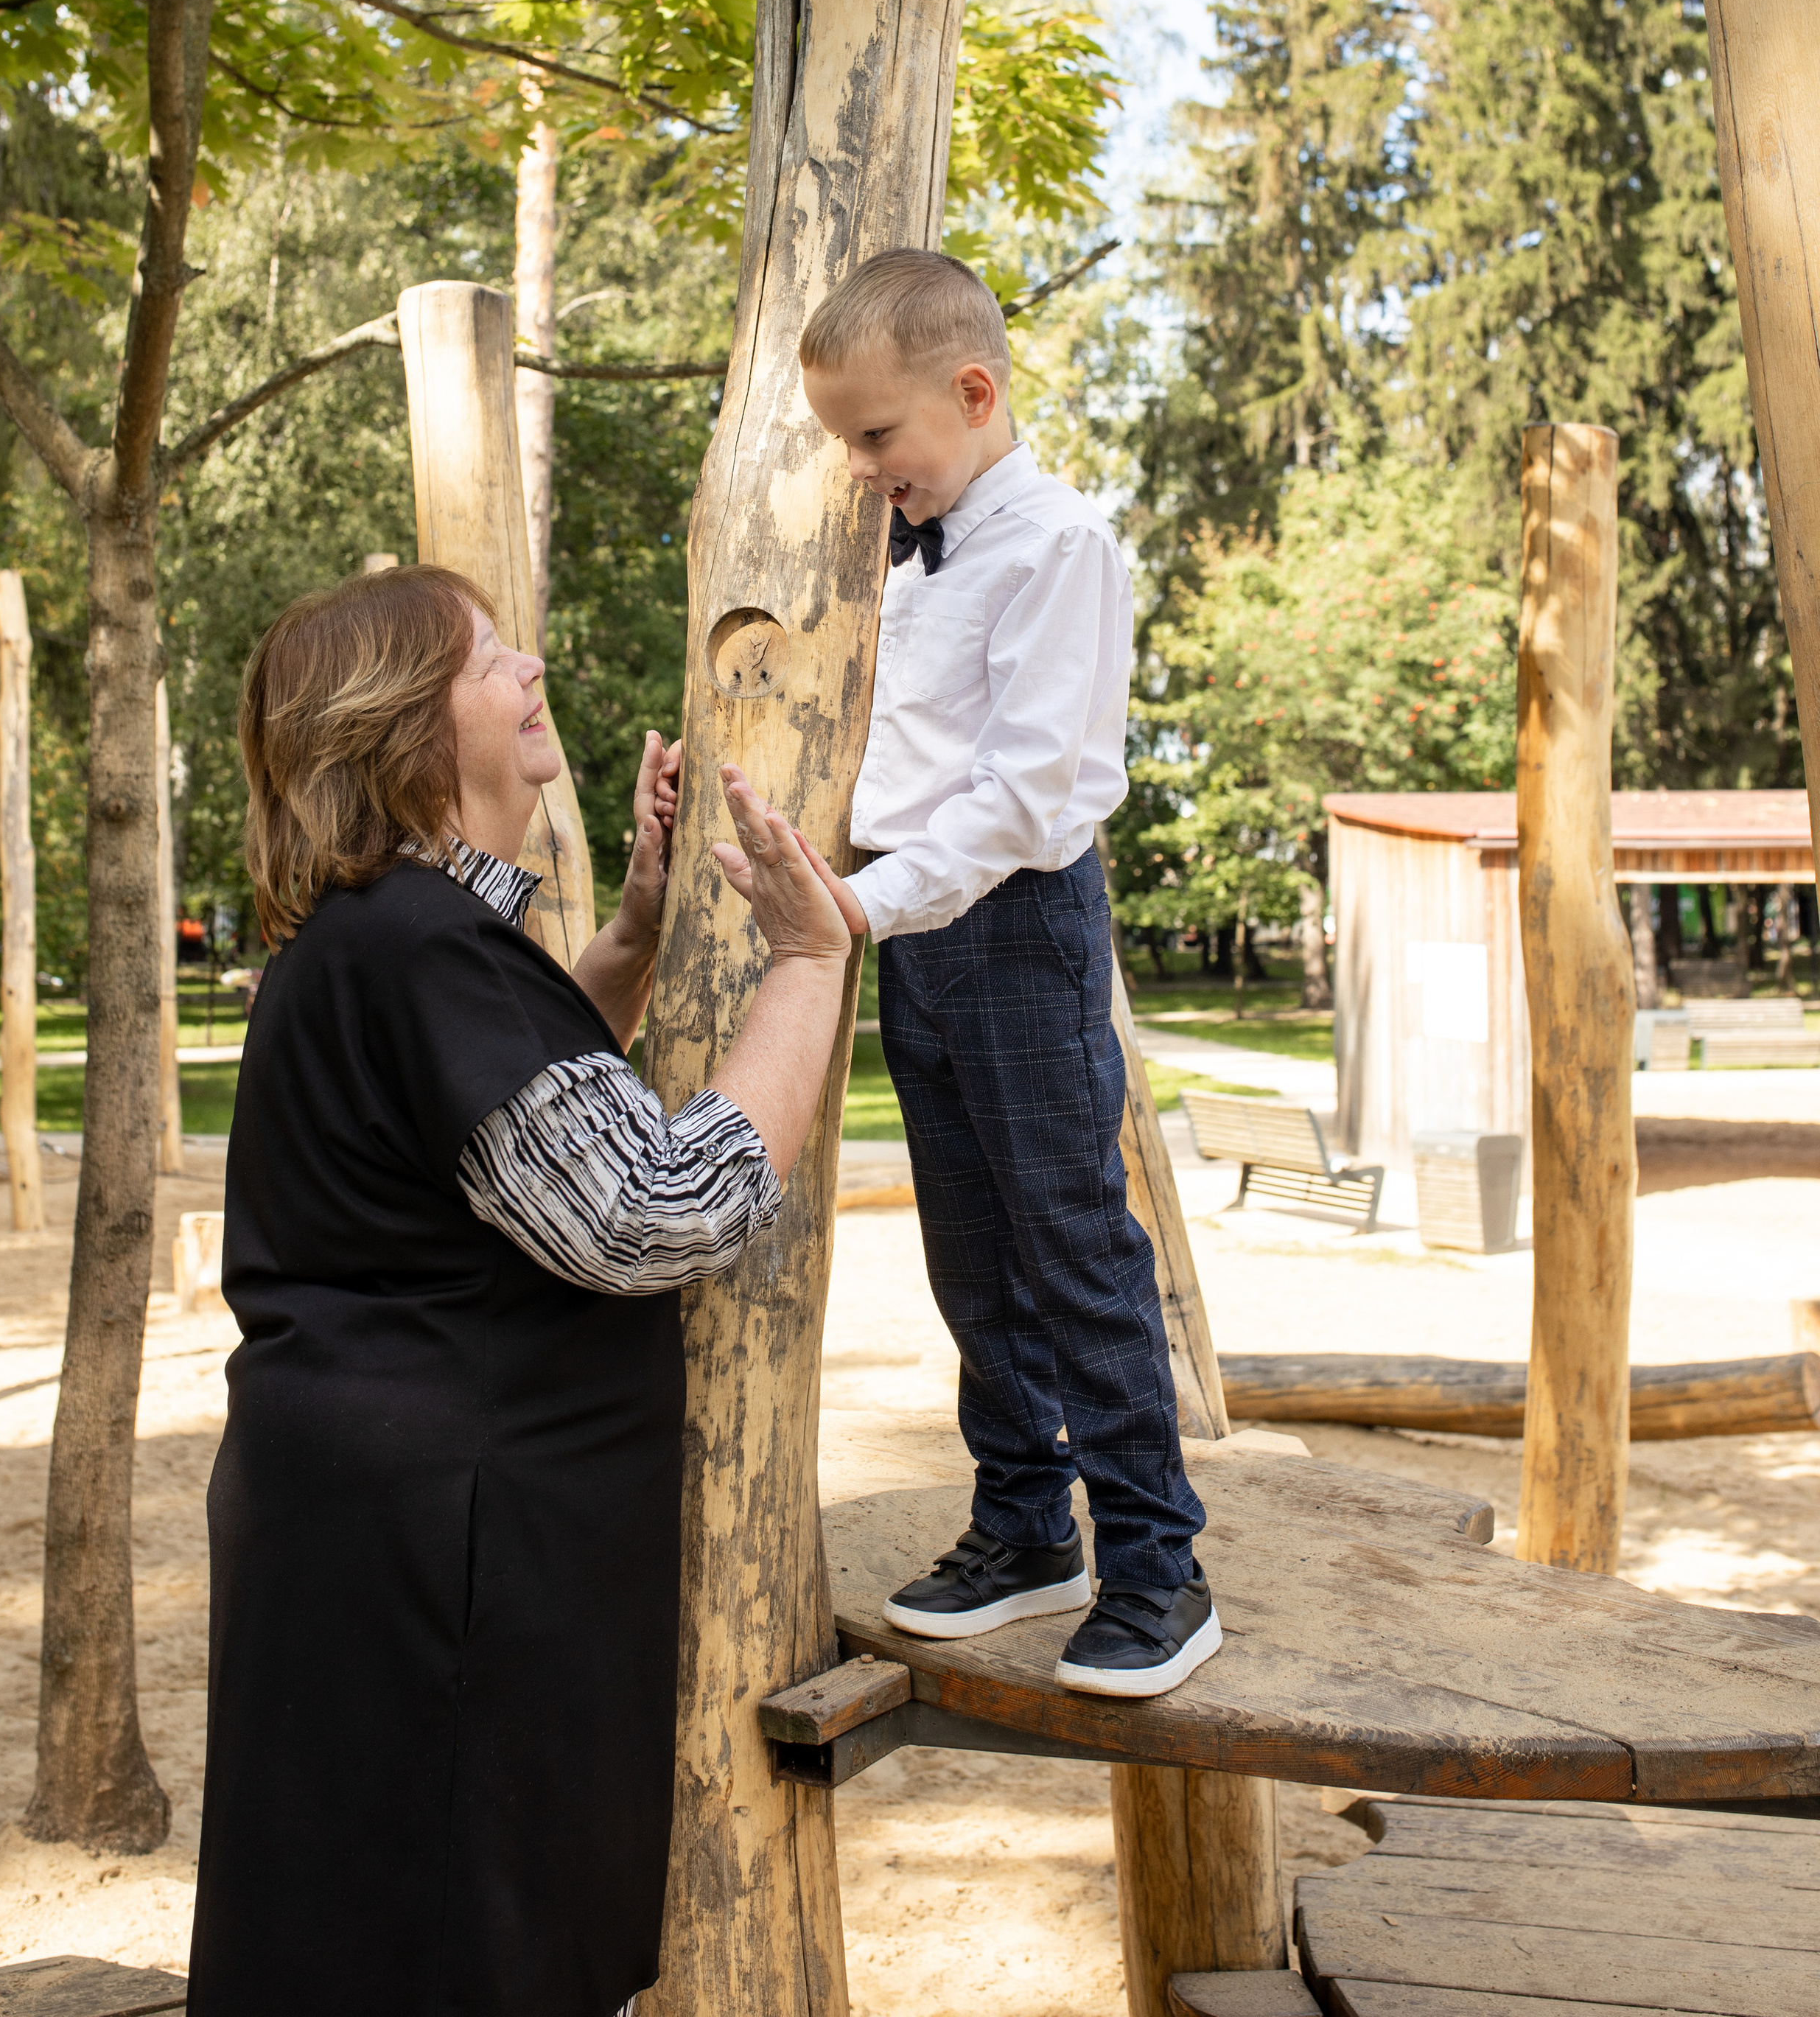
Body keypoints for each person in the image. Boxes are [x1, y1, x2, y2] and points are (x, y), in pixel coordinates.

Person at [186, 564, 850, 2017]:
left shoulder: (380, 943)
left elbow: (503, 1141)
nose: (530, 665)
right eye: (489, 658)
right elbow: (648, 1208)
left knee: (348, 1936)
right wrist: (807, 964)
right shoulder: (424, 950)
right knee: (457, 1955)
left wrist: (630, 931)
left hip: (372, 1548)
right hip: (446, 1572)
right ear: (410, 726)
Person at [799, 248, 1216, 1701]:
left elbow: (1034, 792)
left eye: (874, 437)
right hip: (913, 928)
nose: (860, 469)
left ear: (973, 393)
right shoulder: (904, 543)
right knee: (971, 1256)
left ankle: (1157, 1564)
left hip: (1017, 920)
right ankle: (1025, 1525)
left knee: (1070, 1246)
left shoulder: (1053, 543)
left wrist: (862, 902)